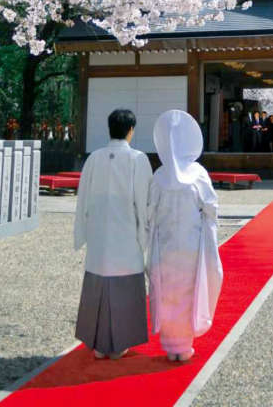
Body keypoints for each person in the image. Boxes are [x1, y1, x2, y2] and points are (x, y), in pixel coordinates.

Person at [74, 108, 152, 360]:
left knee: (98, 282)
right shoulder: (137, 159)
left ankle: (98, 344)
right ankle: (120, 343)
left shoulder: (94, 158)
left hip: (99, 234)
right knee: (125, 285)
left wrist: (82, 232)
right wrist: (146, 237)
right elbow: (144, 201)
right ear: (130, 130)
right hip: (126, 233)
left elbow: (82, 199)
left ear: (110, 129)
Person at [148, 109, 223, 362]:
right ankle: (185, 344)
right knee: (190, 290)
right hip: (191, 243)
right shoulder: (198, 173)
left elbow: (151, 211)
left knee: (168, 291)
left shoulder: (160, 175)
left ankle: (171, 344)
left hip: (166, 244)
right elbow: (211, 206)